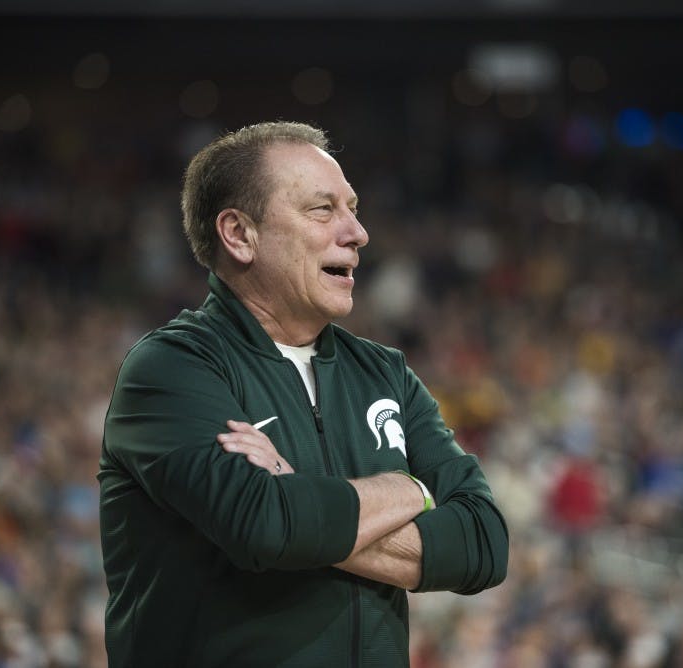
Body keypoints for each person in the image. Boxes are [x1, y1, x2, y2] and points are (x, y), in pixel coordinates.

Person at [98, 121, 509, 667]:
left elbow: (484, 544)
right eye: (323, 210)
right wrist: (412, 488)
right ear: (240, 234)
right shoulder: (174, 368)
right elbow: (265, 528)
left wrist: (298, 496)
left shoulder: (385, 374)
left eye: (353, 208)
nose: (357, 233)